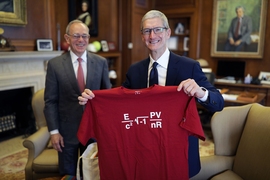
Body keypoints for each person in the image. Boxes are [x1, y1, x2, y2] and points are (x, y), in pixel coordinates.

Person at [78, 10, 224, 177]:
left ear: (168, 32)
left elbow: (218, 102)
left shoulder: (189, 66)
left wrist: (200, 92)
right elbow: (119, 101)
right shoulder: (135, 71)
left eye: (157, 29)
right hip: (145, 152)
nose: (152, 35)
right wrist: (94, 98)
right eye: (147, 31)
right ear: (142, 36)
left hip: (178, 151)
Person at [44, 20, 111, 177]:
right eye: (76, 36)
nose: (81, 40)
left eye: (84, 36)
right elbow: (50, 101)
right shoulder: (55, 65)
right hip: (66, 133)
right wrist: (54, 132)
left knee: (93, 172)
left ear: (88, 38)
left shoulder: (101, 62)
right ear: (67, 39)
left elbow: (107, 98)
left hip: (94, 130)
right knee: (68, 174)